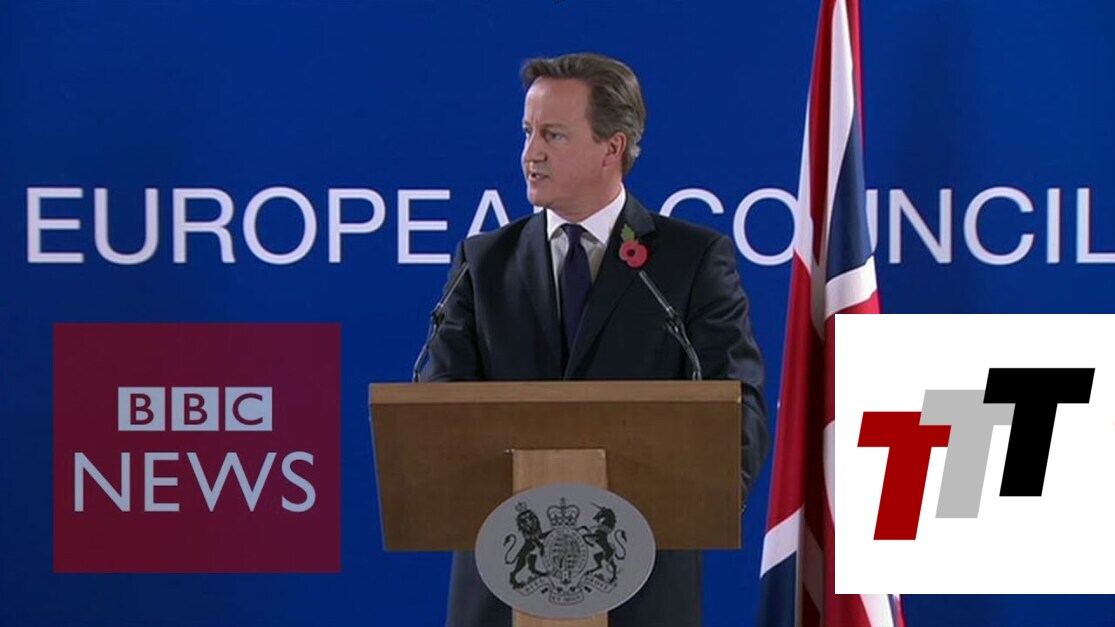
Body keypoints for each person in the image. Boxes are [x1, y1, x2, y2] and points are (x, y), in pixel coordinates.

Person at [420, 52, 769, 627]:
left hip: (643, 584)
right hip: (505, 586)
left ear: (613, 147)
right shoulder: (482, 263)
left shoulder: (690, 261)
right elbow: (441, 405)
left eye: (553, 135)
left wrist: (709, 495)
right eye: (528, 132)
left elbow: (737, 404)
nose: (531, 153)